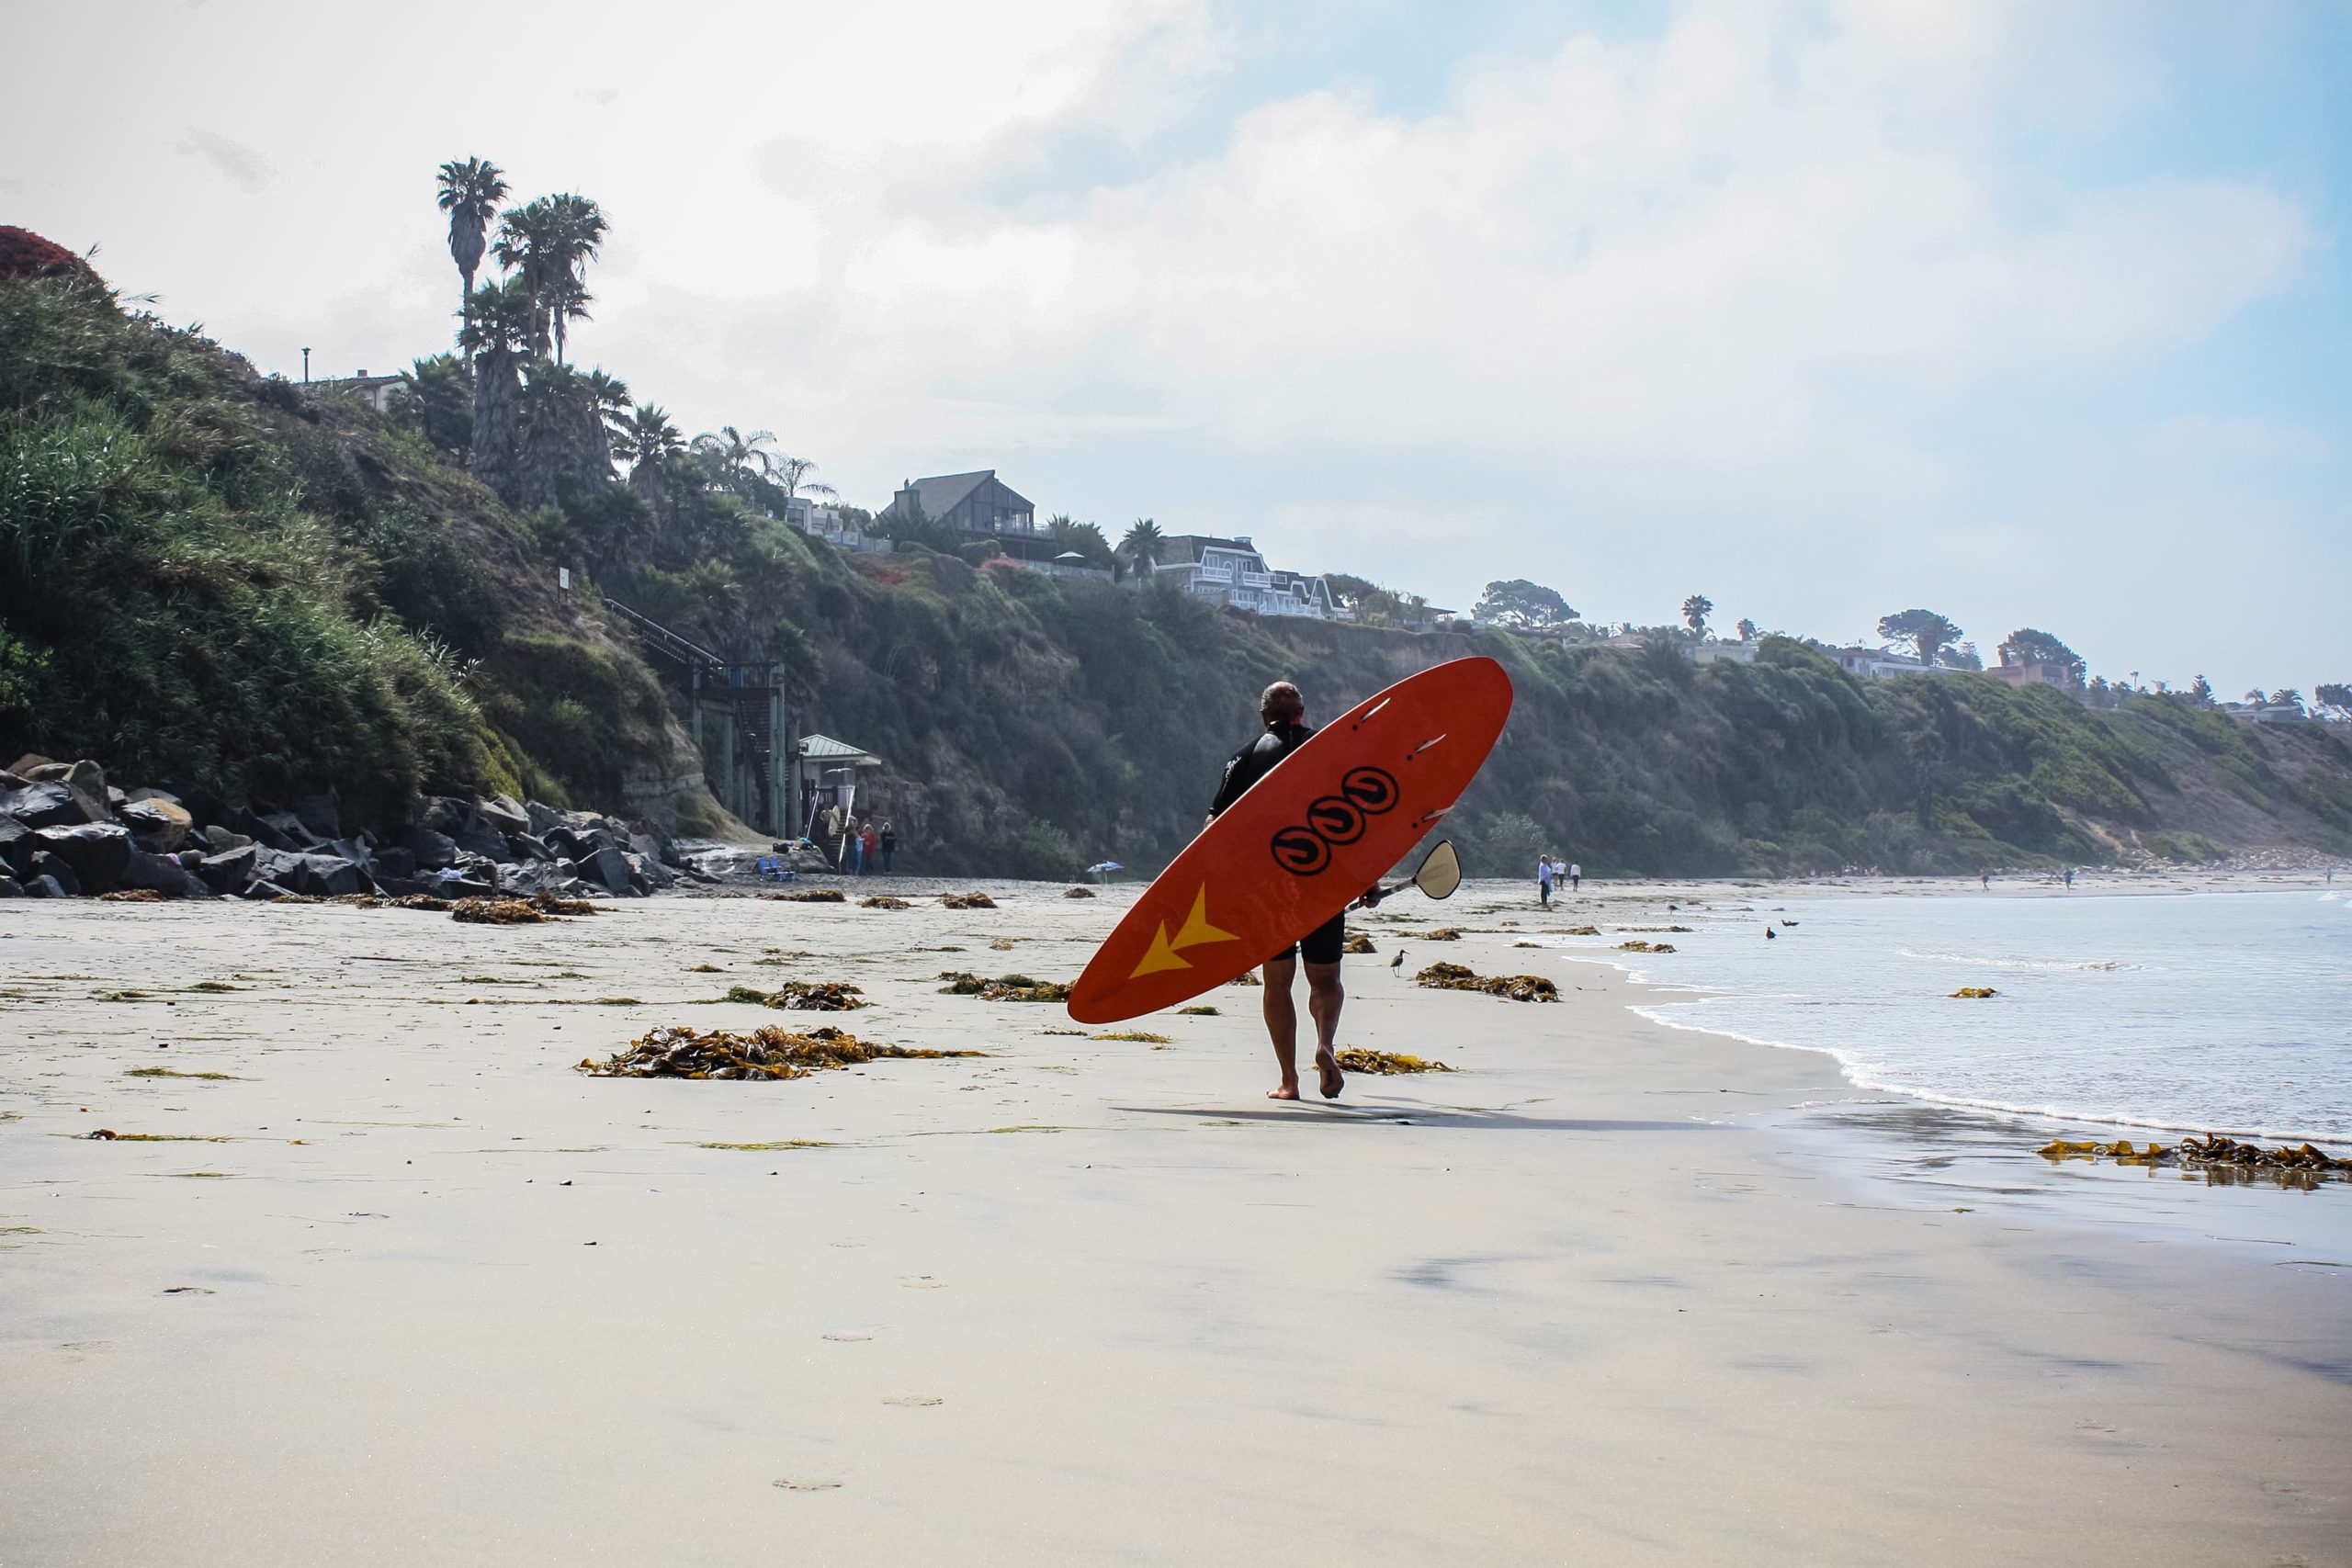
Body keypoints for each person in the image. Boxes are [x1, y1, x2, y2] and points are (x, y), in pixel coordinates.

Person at [1211, 680, 1346, 1101]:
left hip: (1269, 888)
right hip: (1325, 881)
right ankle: (1324, 1044)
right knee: (1325, 979)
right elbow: (1360, 824)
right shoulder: (1331, 750)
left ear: (1263, 715)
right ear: (1301, 711)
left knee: (1278, 981)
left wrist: (1221, 885)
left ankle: (1289, 1080)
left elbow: (1216, 829)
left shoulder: (1246, 757)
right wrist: (1368, 878)